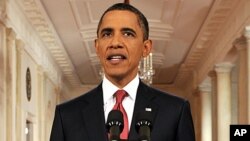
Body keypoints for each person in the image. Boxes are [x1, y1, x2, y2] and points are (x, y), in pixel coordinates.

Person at [50, 3, 195, 141]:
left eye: (127, 34)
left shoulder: (175, 111)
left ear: (146, 48)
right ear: (97, 46)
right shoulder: (67, 115)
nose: (115, 43)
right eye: (107, 34)